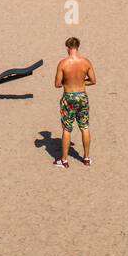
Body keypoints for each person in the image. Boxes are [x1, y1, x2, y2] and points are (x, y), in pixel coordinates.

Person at [53, 37, 96, 168]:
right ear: (78, 47)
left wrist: (68, 82)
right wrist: (82, 82)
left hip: (68, 97)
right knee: (85, 127)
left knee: (67, 128)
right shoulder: (86, 62)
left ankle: (64, 160)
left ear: (67, 48)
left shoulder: (63, 64)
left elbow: (57, 84)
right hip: (82, 96)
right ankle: (87, 158)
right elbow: (93, 81)